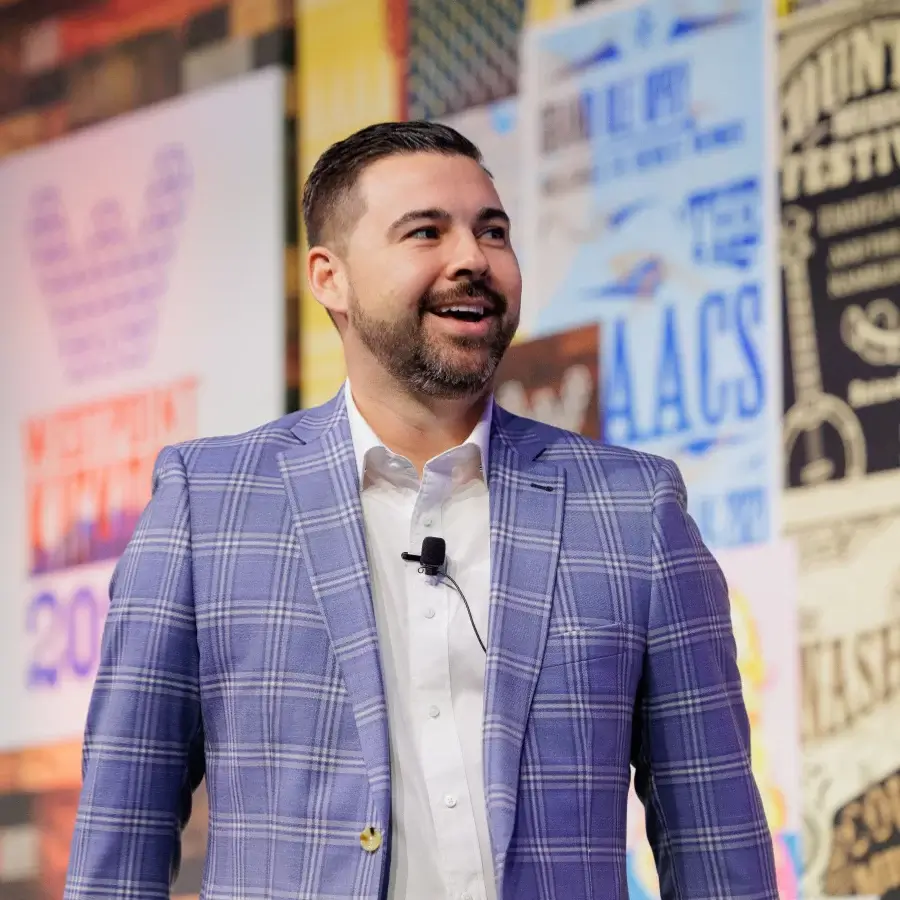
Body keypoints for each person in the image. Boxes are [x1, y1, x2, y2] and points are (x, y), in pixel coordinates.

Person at [64, 120, 779, 900]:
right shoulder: (209, 505)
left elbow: (717, 846)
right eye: (426, 233)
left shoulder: (633, 510)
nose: (472, 259)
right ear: (328, 276)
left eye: (492, 232)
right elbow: (122, 836)